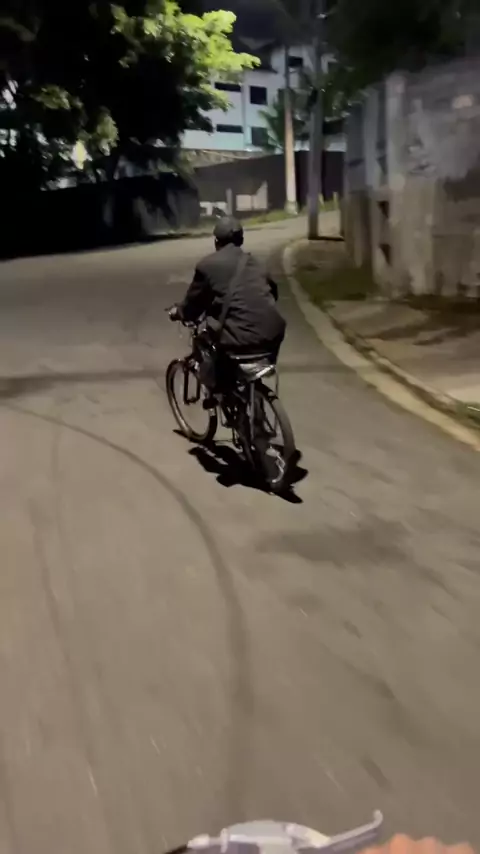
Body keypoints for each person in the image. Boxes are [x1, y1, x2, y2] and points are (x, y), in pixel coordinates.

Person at [169, 217, 286, 397]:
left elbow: (193, 304)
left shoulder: (207, 266)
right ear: (241, 240)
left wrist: (179, 312)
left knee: (208, 343)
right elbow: (273, 294)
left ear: (216, 242)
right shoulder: (257, 263)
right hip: (272, 336)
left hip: (238, 342)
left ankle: (218, 393)